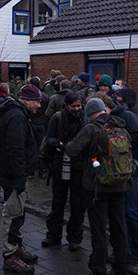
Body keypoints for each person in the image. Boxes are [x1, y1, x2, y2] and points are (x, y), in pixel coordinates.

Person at [66, 97, 132, 275]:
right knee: (119, 226)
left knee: (98, 228)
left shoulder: (91, 128)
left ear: (90, 113)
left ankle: (98, 271)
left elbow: (72, 150)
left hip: (97, 186)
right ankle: (120, 270)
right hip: (121, 184)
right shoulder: (121, 127)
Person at [0, 84, 42, 275]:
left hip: (14, 174)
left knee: (18, 212)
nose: (38, 106)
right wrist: (20, 175)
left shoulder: (15, 114)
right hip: (14, 176)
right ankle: (10, 255)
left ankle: (16, 245)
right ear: (27, 100)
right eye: (37, 102)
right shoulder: (17, 117)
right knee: (12, 214)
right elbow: (15, 149)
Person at [42, 90, 86, 250]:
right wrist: (56, 145)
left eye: (79, 106)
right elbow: (49, 138)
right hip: (60, 164)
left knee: (78, 204)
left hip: (78, 167)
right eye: (74, 106)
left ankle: (74, 238)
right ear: (66, 106)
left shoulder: (84, 119)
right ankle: (53, 234)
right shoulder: (57, 118)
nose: (77, 109)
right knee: (58, 202)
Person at [113, 88, 138, 275]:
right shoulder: (122, 114)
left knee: (132, 212)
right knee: (124, 212)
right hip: (125, 169)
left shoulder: (131, 116)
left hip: (135, 170)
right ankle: (125, 252)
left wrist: (121, 140)